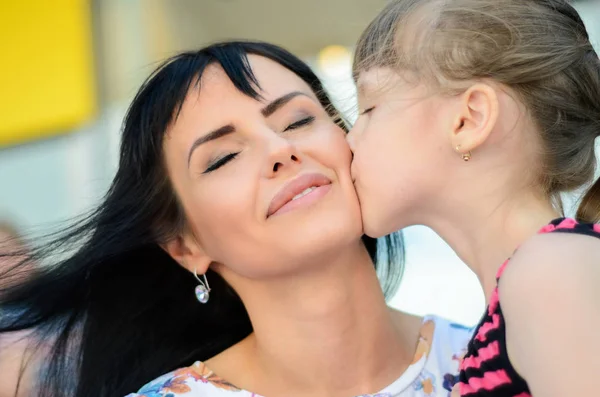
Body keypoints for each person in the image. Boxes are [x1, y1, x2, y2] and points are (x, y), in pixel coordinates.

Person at [0, 42, 470, 397]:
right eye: (223, 157)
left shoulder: (506, 358)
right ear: (184, 245)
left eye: (297, 121)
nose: (280, 150)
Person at [347, 0, 600, 396]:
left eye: (369, 108)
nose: (349, 139)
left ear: (469, 120)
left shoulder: (548, 272)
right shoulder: (540, 277)